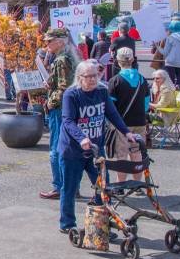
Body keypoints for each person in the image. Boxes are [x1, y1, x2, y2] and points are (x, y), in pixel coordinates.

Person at [58, 60, 135, 233]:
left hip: (96, 150)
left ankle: (102, 225)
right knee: (69, 189)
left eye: (95, 75)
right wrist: (81, 138)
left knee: (103, 189)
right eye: (89, 76)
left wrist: (126, 132)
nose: (93, 79)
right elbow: (68, 121)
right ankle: (67, 224)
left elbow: (112, 113)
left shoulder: (101, 91)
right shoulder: (71, 94)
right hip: (73, 150)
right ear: (80, 77)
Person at [39, 28, 80, 201]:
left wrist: (50, 101)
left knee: (56, 149)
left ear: (61, 42)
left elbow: (63, 88)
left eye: (50, 41)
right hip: (69, 107)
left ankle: (59, 186)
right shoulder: (69, 57)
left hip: (60, 108)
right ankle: (70, 186)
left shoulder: (62, 60)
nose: (47, 44)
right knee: (66, 148)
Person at [106, 48, 150, 181]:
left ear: (117, 61)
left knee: (122, 155)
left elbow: (110, 107)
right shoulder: (142, 79)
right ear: (132, 60)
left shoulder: (115, 80)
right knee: (136, 152)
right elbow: (146, 104)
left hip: (122, 125)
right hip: (140, 122)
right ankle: (137, 184)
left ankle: (121, 186)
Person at [160, 20, 180, 87]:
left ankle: (171, 97)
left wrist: (157, 47)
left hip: (170, 63)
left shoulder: (170, 37)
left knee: (170, 84)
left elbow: (165, 52)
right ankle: (178, 96)